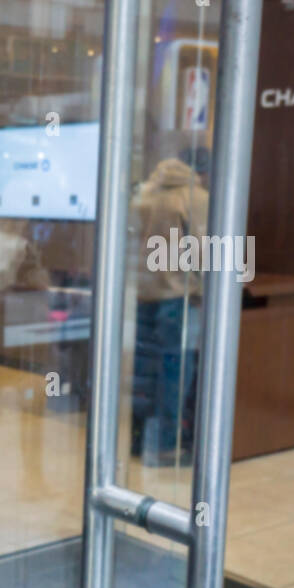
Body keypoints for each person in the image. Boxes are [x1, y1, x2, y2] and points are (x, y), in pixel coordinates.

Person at [130, 150, 210, 466]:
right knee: (175, 372)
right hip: (179, 297)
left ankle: (137, 439)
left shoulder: (145, 194)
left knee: (145, 372)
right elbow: (205, 250)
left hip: (143, 295)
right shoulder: (196, 197)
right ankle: (165, 444)